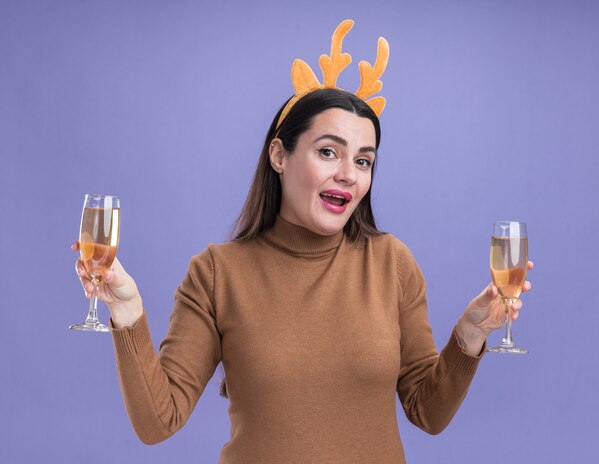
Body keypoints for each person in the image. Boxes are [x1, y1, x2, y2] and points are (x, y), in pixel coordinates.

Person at [73, 21, 532, 464]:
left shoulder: (391, 263)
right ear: (279, 154)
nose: (348, 174)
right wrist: (126, 310)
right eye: (328, 152)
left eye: (364, 160)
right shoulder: (217, 273)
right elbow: (158, 422)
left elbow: (427, 413)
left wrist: (472, 333)